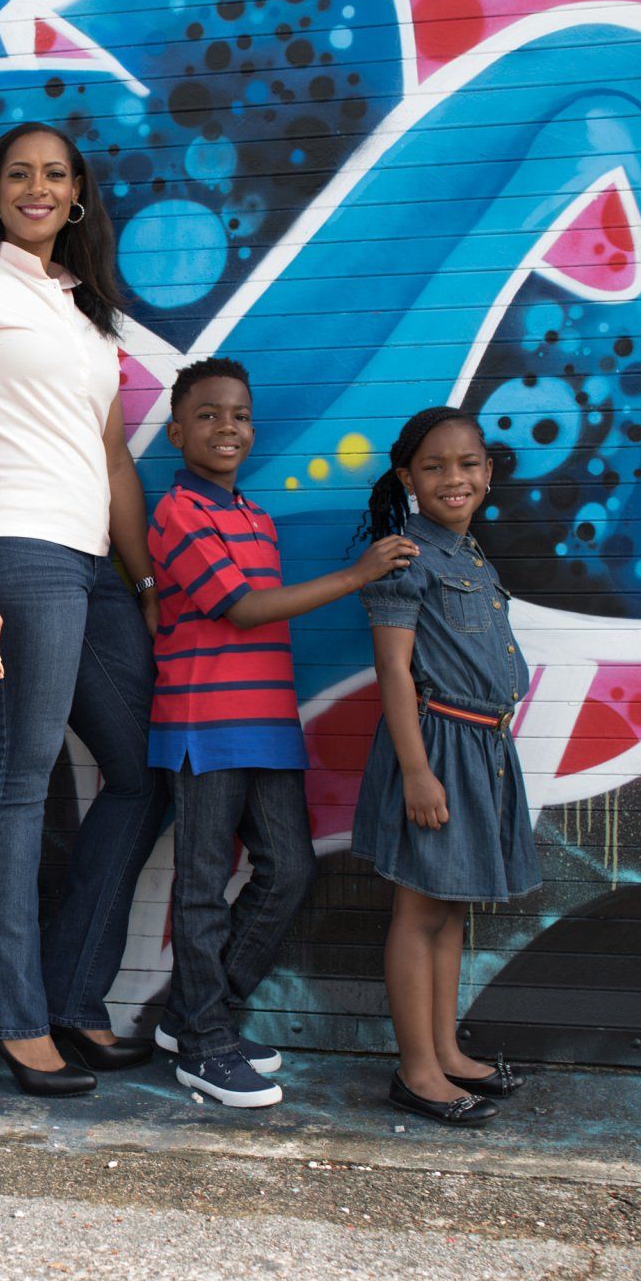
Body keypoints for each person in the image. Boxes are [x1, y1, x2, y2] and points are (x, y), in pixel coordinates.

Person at [0, 122, 170, 1098]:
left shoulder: (83, 313)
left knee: (145, 771)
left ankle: (68, 993)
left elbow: (113, 463)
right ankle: (9, 1018)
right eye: (18, 174)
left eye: (55, 175)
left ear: (77, 195)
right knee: (21, 781)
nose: (37, 188)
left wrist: (145, 587)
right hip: (12, 553)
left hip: (95, 567)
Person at [146, 359, 418, 1108]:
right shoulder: (177, 512)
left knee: (289, 871)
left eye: (238, 414)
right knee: (201, 887)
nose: (225, 426)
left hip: (267, 723)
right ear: (176, 431)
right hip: (206, 723)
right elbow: (241, 609)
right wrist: (360, 575)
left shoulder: (257, 517)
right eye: (207, 414)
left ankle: (194, 1013)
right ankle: (202, 1044)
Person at [352, 406, 539, 1126]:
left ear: (488, 474)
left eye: (467, 465)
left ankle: (446, 1050)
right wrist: (419, 771)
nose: (452, 479)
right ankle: (417, 1071)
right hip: (439, 748)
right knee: (419, 907)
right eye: (434, 467)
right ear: (408, 477)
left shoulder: (472, 555)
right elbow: (395, 673)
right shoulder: (405, 557)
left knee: (451, 905)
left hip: (484, 749)